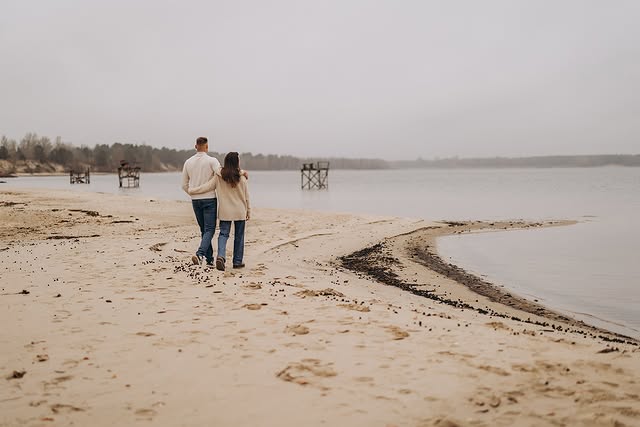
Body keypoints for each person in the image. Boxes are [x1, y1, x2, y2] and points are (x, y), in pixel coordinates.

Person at [188, 151, 250, 271]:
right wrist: (249, 211)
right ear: (237, 162)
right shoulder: (242, 178)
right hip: (240, 211)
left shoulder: (219, 177)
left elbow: (207, 187)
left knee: (223, 234)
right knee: (239, 236)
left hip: (225, 212)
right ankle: (237, 261)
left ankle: (221, 256)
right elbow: (247, 197)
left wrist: (193, 190)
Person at [181, 137, 221, 266]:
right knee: (210, 229)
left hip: (195, 200)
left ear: (195, 146)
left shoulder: (188, 162)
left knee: (204, 230)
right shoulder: (212, 160)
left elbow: (184, 185)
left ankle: (209, 259)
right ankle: (200, 254)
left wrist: (193, 193)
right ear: (207, 147)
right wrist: (241, 173)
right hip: (209, 198)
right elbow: (221, 173)